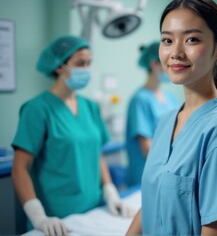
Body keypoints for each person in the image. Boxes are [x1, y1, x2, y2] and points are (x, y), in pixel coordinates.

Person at [126, 0, 217, 235]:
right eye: (167, 40)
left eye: (192, 39)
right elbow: (152, 201)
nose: (176, 52)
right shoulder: (167, 121)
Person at [11, 35, 132, 236]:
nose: (86, 69)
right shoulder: (37, 109)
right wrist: (38, 216)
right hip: (56, 219)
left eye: (89, 63)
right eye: (80, 63)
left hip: (93, 212)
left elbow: (97, 154)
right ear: (59, 66)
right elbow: (19, 169)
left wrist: (111, 193)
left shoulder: (91, 107)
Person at [125, 41, 178, 187]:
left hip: (169, 173)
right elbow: (147, 149)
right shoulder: (140, 100)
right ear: (154, 64)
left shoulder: (170, 97)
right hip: (148, 177)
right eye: (168, 63)